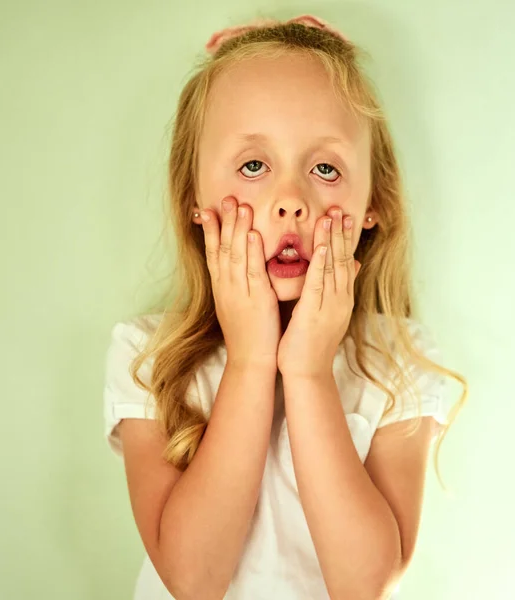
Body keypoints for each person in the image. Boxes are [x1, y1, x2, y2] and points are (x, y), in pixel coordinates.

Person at [102, 14, 467, 600]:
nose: (290, 202)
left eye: (325, 168)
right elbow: (192, 580)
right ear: (195, 197)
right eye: (253, 166)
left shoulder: (400, 362)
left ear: (372, 202)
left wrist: (309, 371)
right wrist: (249, 361)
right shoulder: (147, 356)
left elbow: (363, 584)